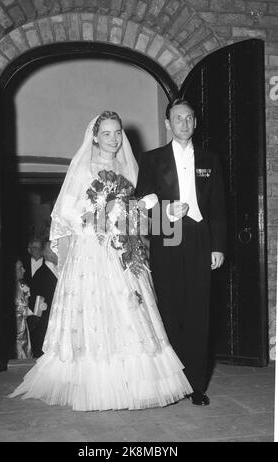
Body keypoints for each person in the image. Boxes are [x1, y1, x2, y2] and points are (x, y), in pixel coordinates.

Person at [9, 110, 193, 411]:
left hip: (121, 249)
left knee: (129, 311)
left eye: (118, 132)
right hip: (92, 250)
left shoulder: (129, 168)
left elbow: (137, 215)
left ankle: (129, 384)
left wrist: (166, 215)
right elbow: (66, 213)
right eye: (107, 133)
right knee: (97, 315)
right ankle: (96, 384)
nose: (114, 139)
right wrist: (100, 218)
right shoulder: (83, 168)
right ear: (95, 136)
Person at [136, 99, 226, 406]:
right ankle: (173, 383)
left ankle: (197, 385)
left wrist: (218, 247)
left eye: (189, 118)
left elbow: (218, 208)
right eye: (177, 119)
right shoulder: (151, 160)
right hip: (168, 236)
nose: (184, 124)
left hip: (201, 237)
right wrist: (166, 210)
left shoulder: (210, 159)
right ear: (167, 124)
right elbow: (141, 206)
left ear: (195, 122)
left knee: (199, 311)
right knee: (171, 310)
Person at [26, 240, 58, 358]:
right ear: (47, 253)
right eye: (55, 250)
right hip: (46, 326)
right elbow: (36, 305)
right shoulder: (40, 275)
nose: (57, 253)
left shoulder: (61, 269)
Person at [14, 258, 33, 360]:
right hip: (12, 329)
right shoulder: (4, 288)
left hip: (23, 328)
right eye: (20, 268)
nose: (24, 270)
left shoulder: (24, 287)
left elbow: (27, 309)